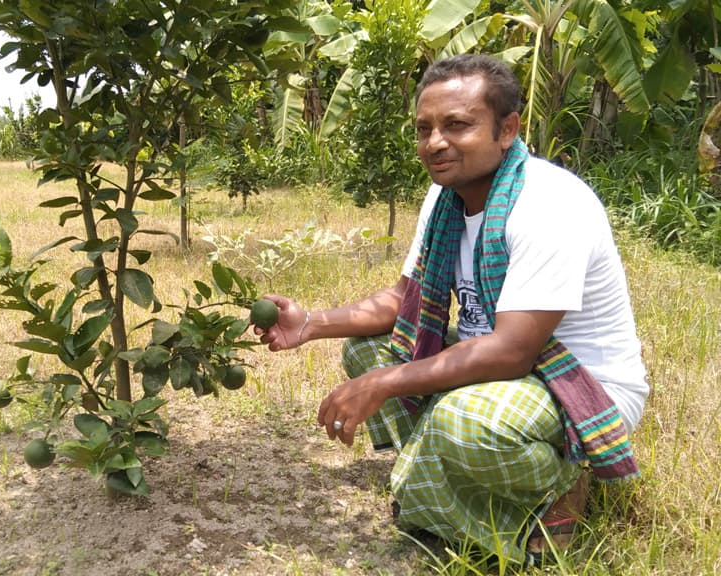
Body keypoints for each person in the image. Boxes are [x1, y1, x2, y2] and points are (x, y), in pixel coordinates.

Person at [257, 54, 649, 565]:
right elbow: (405, 301)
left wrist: (387, 384)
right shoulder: (445, 198)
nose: (435, 142)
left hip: (579, 386)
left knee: (459, 418)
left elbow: (512, 351)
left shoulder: (549, 204)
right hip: (499, 365)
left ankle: (559, 484)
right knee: (370, 353)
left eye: (457, 125)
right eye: (425, 128)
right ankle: (451, 481)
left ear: (507, 129)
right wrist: (311, 324)